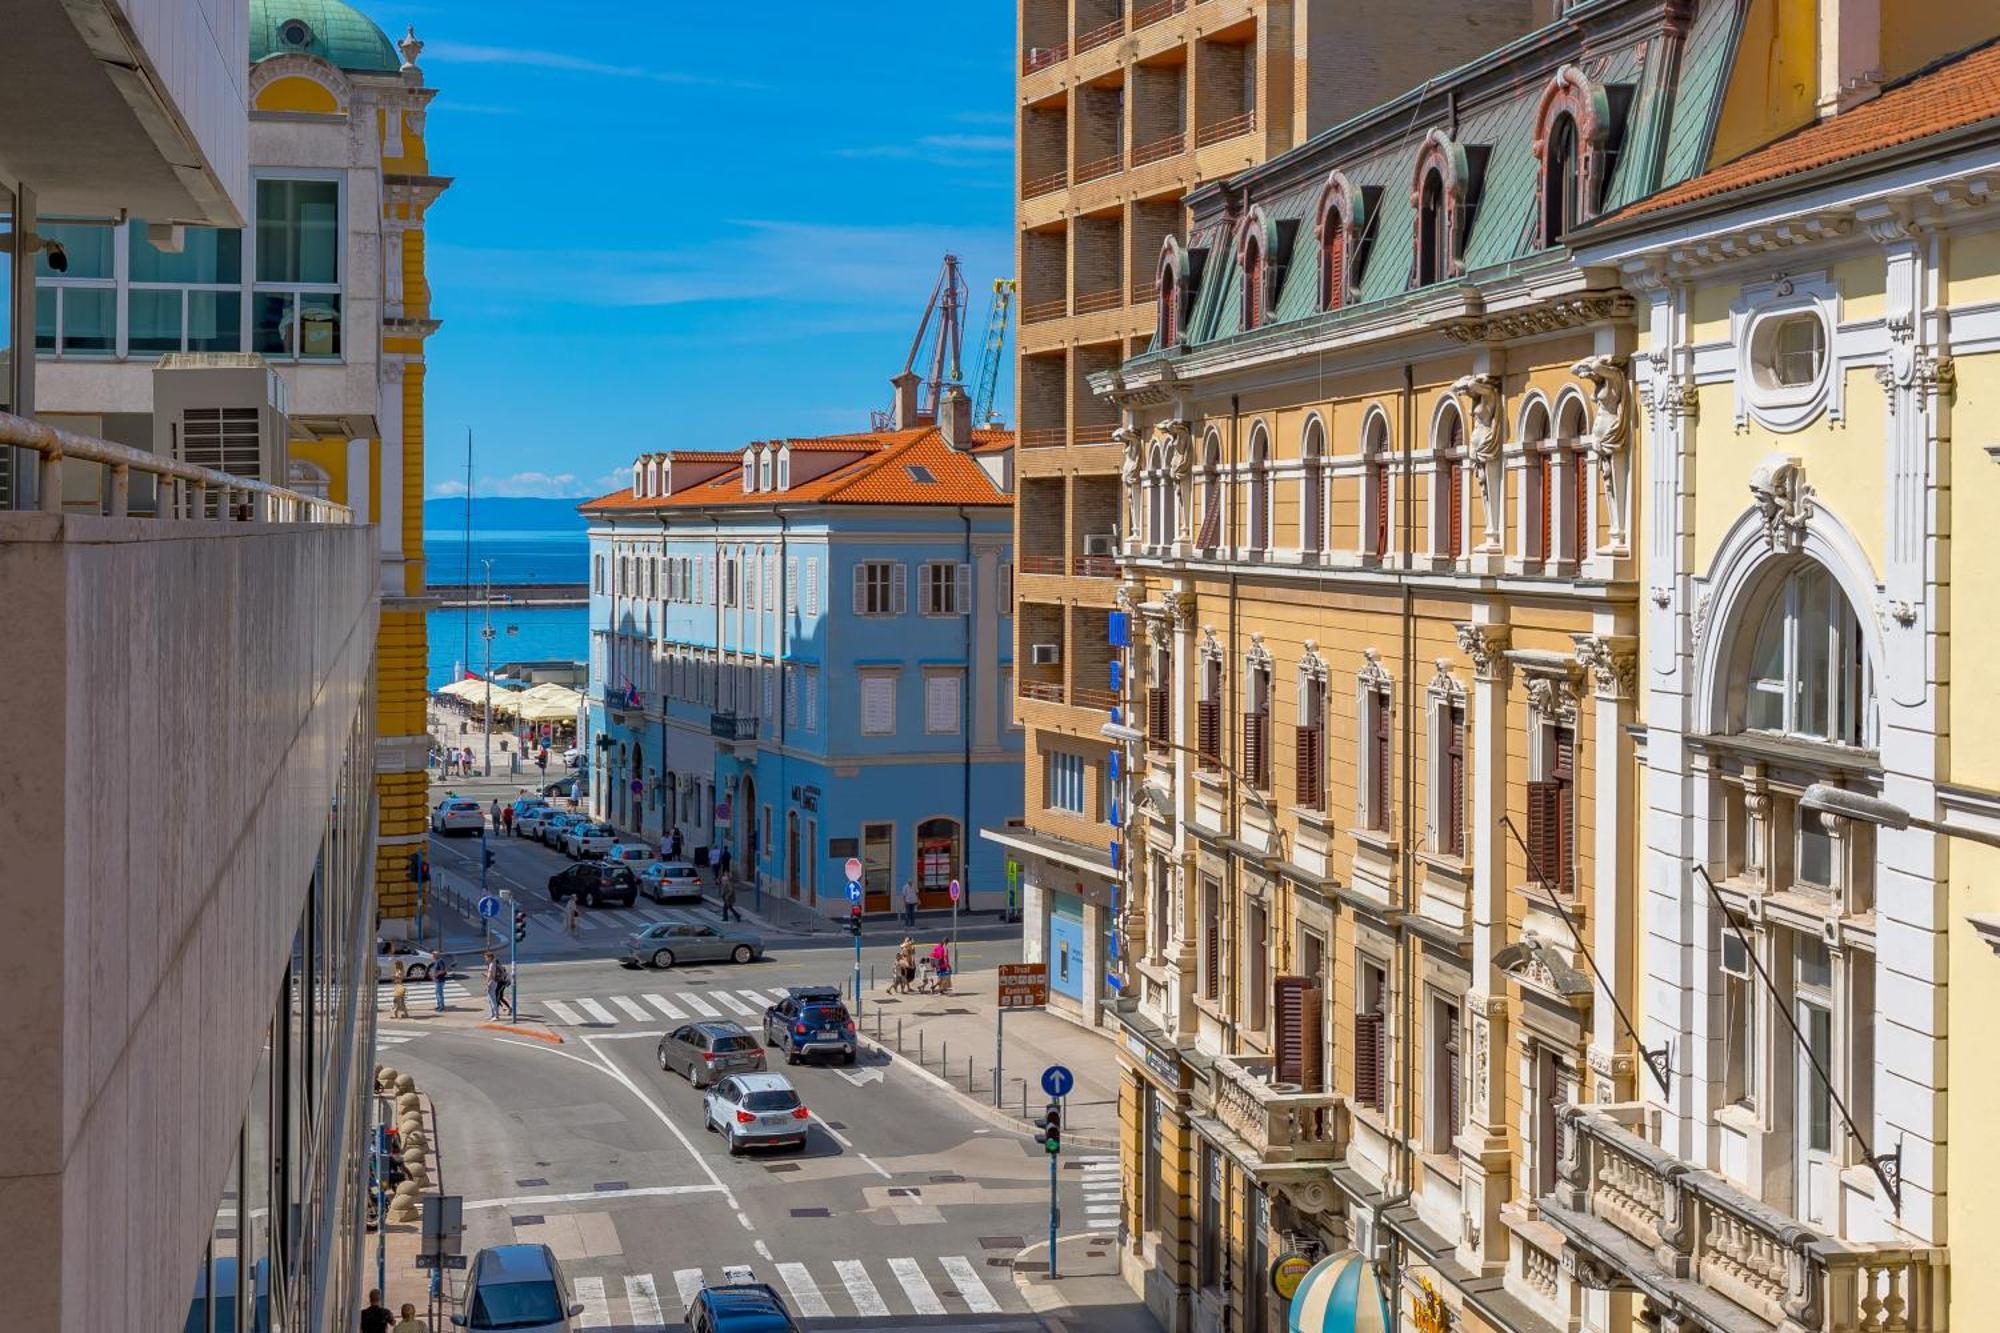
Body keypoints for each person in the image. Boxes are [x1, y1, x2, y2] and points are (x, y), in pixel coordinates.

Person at [483, 952, 503, 1020]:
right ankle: (493, 1014)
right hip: (493, 982)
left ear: (489, 957)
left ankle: (496, 1015)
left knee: (492, 999)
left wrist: (487, 982)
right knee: (490, 999)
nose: (485, 959)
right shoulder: (493, 963)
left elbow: (490, 975)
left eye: (486, 957)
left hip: (492, 982)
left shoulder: (492, 964)